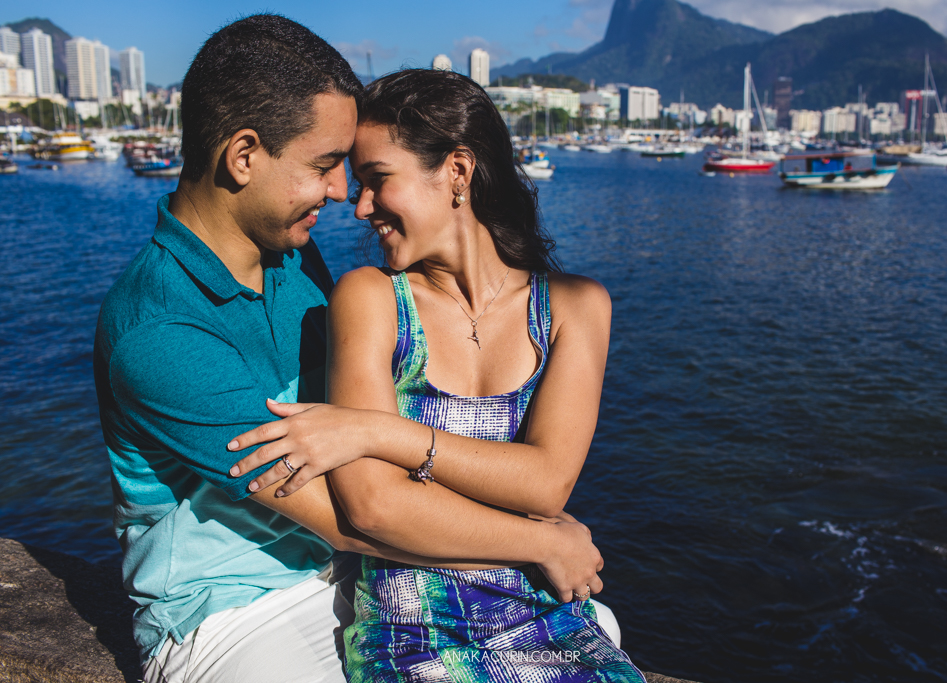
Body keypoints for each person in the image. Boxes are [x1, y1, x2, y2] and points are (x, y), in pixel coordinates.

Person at [94, 16, 602, 683]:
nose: (342, 196)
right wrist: (543, 541)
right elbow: (354, 516)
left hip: (353, 577)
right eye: (325, 165)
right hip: (232, 613)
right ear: (244, 155)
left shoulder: (293, 263)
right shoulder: (159, 330)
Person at [227, 69, 646, 682]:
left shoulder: (577, 307)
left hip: (545, 615)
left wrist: (377, 434)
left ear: (457, 170)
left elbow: (547, 483)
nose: (359, 205)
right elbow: (372, 505)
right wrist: (543, 537)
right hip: (413, 635)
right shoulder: (369, 298)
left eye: (377, 180)